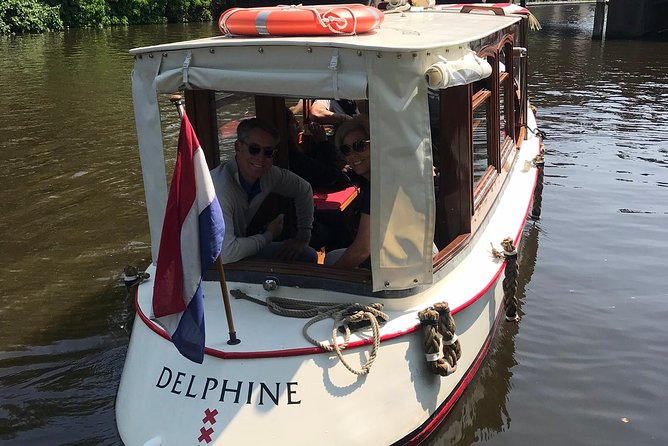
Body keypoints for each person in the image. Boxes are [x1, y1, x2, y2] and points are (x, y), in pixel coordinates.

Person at [210, 117, 318, 264]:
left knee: (307, 255)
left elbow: (304, 190)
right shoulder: (221, 188)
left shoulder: (269, 175)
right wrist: (269, 235)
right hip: (211, 266)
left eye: (268, 152)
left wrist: (303, 237)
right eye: (254, 149)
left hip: (234, 252)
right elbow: (226, 254)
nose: (260, 158)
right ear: (238, 147)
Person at [324, 115, 372, 268]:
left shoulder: (381, 185)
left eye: (359, 146)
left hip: (401, 265)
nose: (352, 155)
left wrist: (327, 281)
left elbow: (362, 250)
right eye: (346, 150)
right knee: (332, 256)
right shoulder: (375, 180)